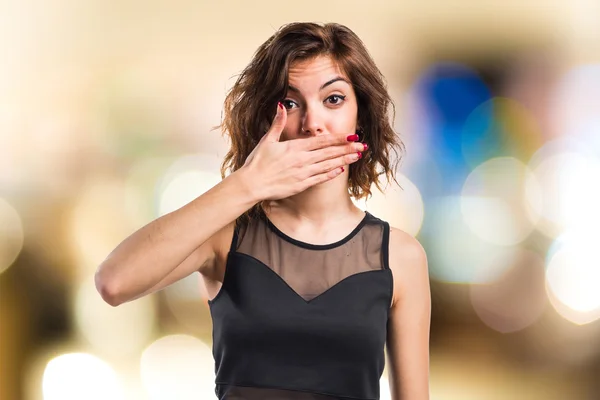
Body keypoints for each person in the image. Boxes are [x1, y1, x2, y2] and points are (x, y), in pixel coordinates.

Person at [95, 22, 431, 400]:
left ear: (361, 116)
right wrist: (247, 184)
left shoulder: (400, 257)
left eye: (333, 99)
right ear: (264, 118)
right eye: (290, 103)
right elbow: (114, 282)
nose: (312, 124)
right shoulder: (226, 238)